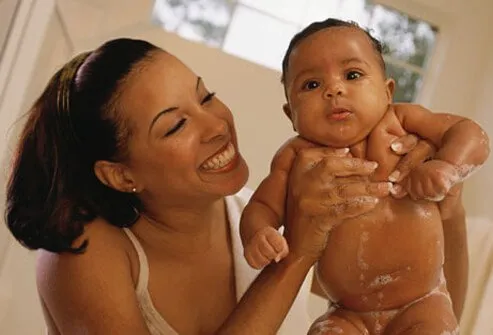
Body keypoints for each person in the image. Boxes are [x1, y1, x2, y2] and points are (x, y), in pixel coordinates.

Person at [5, 38, 450, 335]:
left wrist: (446, 208)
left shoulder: (253, 218)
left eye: (205, 96)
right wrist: (298, 251)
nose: (216, 124)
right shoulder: (84, 252)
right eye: (176, 124)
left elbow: (408, 304)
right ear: (121, 175)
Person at [240, 18, 489, 334]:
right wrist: (258, 234)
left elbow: (470, 134)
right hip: (347, 313)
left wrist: (446, 166)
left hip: (422, 303)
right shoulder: (295, 159)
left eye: (352, 75)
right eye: (312, 85)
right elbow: (261, 206)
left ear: (388, 92)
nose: (335, 89)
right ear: (291, 113)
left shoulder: (403, 122)